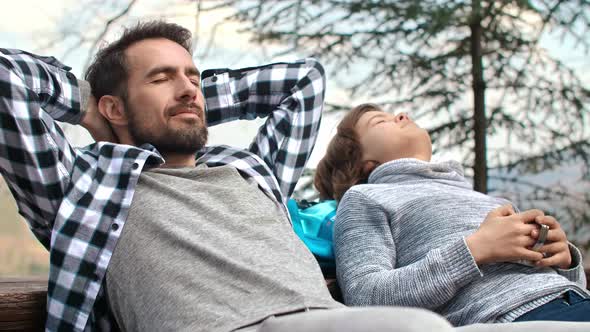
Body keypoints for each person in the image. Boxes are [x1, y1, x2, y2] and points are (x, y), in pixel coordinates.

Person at [2, 21, 588, 332]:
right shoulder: (81, 184)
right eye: (161, 78)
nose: (189, 88)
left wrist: (177, 97)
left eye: (194, 77)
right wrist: (93, 107)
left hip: (332, 324)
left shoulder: (251, 171)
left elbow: (302, 81)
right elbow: (8, 80)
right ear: (111, 106)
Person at [314, 103, 590, 326]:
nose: (401, 114)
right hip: (509, 317)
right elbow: (365, 297)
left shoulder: (488, 200)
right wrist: (475, 250)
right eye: (380, 121)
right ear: (362, 163)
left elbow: (558, 283)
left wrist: (564, 261)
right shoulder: (364, 197)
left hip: (573, 303)